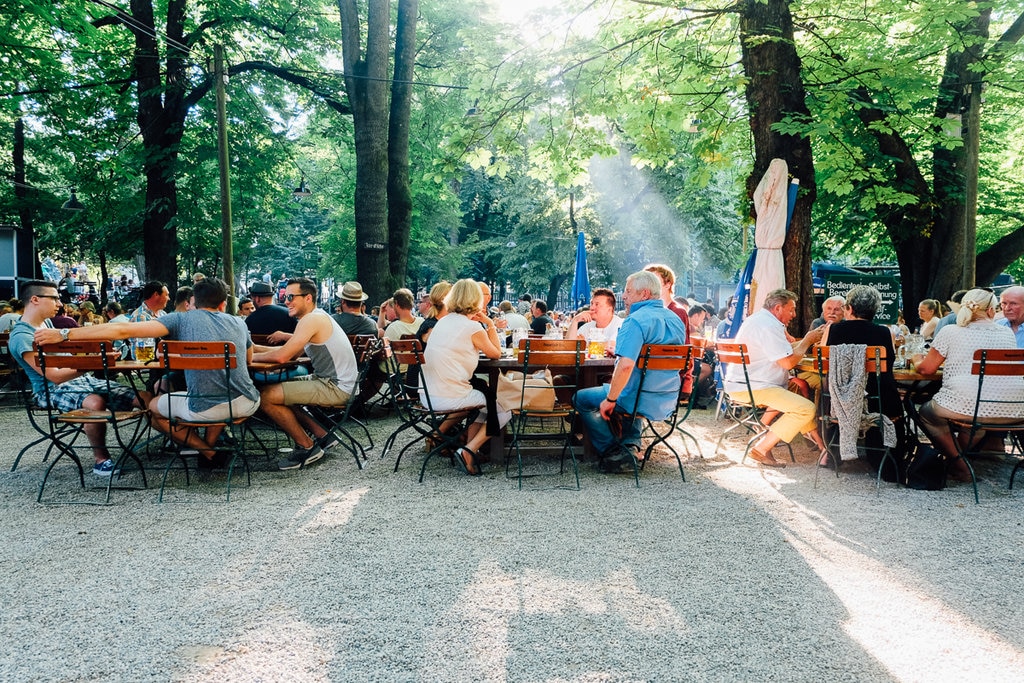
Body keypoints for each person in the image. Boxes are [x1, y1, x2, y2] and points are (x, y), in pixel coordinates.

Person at [35, 277, 260, 468]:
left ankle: (208, 452)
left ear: (193, 301)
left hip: (207, 408)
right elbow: (248, 360)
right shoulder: (238, 322)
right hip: (247, 401)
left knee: (152, 406)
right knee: (214, 395)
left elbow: (121, 329)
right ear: (223, 304)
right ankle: (212, 450)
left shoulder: (179, 318)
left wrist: (64, 334)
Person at [11, 280, 149, 477]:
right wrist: (92, 364)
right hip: (50, 390)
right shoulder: (22, 336)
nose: (60, 303)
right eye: (54, 298)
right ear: (35, 299)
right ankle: (101, 460)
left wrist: (94, 357)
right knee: (94, 402)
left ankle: (179, 442)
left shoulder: (47, 325)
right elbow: (54, 377)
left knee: (143, 396)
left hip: (81, 382)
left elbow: (69, 361)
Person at [572, 271, 688, 473]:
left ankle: (613, 451)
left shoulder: (634, 321)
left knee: (581, 398)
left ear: (644, 294)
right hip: (668, 400)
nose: (623, 296)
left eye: (627, 291)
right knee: (629, 386)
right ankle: (630, 445)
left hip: (637, 399)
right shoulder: (675, 320)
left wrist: (610, 399)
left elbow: (625, 367)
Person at [913, 289, 1024, 480]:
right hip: (1013, 408)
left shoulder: (951, 331)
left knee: (926, 412)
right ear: (991, 310)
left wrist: (916, 359)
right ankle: (956, 461)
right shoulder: (1006, 333)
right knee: (975, 424)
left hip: (968, 405)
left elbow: (926, 370)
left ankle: (958, 463)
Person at [252, 277, 358, 471]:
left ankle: (307, 447)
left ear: (308, 298)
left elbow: (283, 356)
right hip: (335, 383)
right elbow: (293, 352)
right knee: (281, 392)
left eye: (291, 296)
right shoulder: (315, 317)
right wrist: (251, 349)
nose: (286, 301)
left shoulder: (312, 320)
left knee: (265, 397)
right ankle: (323, 436)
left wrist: (245, 358)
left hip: (335, 386)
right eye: (284, 296)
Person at [724, 288, 827, 468]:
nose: (794, 314)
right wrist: (808, 341)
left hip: (744, 383)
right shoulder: (768, 326)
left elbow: (781, 351)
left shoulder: (758, 320)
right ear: (778, 308)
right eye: (791, 309)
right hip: (757, 387)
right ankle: (761, 448)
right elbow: (787, 363)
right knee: (805, 408)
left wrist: (804, 342)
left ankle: (820, 445)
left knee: (797, 394)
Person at [419, 279, 508, 475]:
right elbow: (496, 353)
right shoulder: (472, 328)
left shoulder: (441, 323)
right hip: (450, 396)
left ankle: (470, 448)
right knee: (504, 406)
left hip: (428, 394)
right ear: (475, 300)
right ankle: (468, 450)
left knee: (486, 399)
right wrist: (490, 324)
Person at [819, 285, 906, 470]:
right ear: (875, 310)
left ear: (848, 308)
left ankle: (832, 455)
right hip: (878, 400)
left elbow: (826, 362)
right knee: (896, 397)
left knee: (828, 390)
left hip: (840, 401)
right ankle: (888, 460)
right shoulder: (885, 332)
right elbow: (888, 366)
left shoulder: (832, 330)